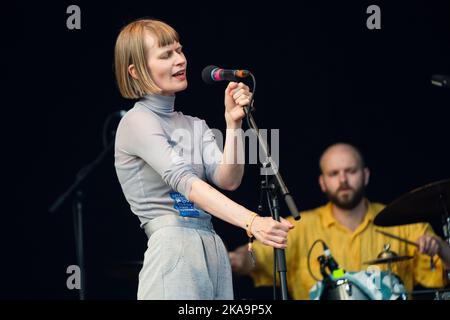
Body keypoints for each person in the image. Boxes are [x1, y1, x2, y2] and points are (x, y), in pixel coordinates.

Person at [113, 19, 293, 300]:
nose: (180, 60)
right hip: (172, 246)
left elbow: (228, 180)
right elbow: (187, 184)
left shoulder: (194, 125)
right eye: (166, 55)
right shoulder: (137, 121)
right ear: (136, 71)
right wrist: (252, 221)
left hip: (211, 246)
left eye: (179, 50)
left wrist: (233, 124)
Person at [230, 143, 450, 299]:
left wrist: (440, 247)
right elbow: (255, 258)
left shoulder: (406, 224)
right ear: (322, 182)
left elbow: (444, 276)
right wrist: (234, 259)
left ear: (365, 175)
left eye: (350, 171)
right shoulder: (300, 228)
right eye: (334, 173)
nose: (343, 180)